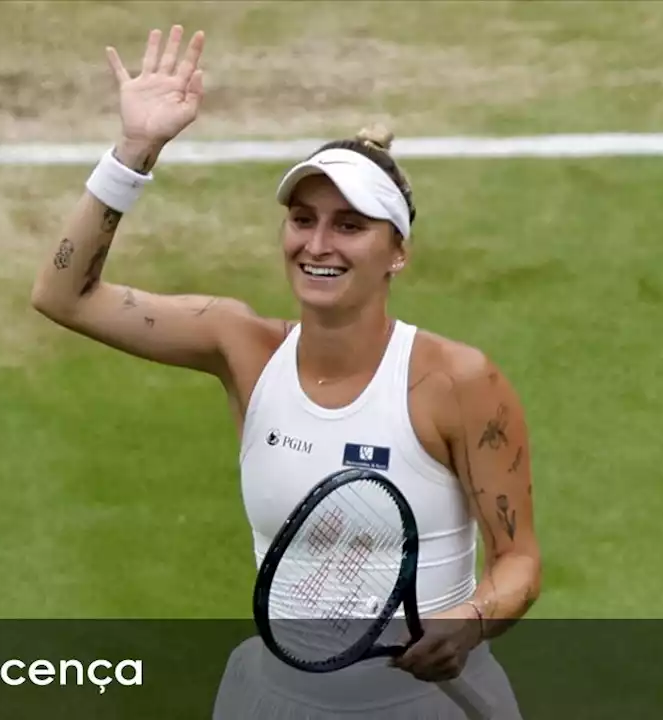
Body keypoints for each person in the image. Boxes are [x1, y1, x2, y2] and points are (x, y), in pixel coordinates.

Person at [30, 26, 542, 718]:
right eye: (302, 220)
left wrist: (474, 619)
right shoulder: (242, 347)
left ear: (398, 253)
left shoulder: (459, 382)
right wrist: (135, 152)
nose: (318, 244)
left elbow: (519, 561)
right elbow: (65, 295)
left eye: (349, 226)